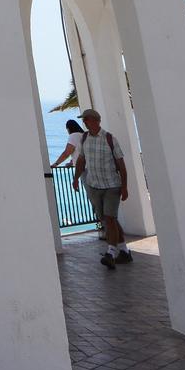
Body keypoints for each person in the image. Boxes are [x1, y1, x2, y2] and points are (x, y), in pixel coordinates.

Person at [76, 108, 133, 265]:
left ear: (95, 120)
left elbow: (121, 165)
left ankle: (110, 253)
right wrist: (75, 179)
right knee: (108, 219)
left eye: (86, 119)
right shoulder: (84, 138)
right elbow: (81, 160)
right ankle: (124, 251)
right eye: (84, 120)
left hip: (111, 185)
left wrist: (124, 187)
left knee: (109, 218)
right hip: (94, 185)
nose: (84, 122)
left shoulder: (110, 139)